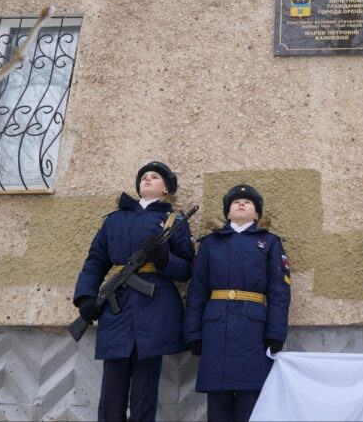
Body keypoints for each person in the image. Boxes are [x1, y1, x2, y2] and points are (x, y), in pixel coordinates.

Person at [73, 161, 195, 421]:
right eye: (144, 177)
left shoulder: (174, 221)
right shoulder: (115, 220)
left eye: (155, 177)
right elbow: (95, 260)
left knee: (144, 393)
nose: (147, 179)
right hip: (117, 307)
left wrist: (164, 259)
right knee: (112, 392)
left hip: (154, 310)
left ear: (166, 190)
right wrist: (86, 297)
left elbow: (187, 268)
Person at [184, 184, 291, 421]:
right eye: (235, 202)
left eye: (248, 202)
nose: (241, 204)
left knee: (250, 398)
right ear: (228, 213)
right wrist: (193, 333)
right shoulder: (211, 243)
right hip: (215, 326)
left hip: (253, 328)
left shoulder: (269, 243)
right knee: (218, 400)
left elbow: (279, 291)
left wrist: (276, 332)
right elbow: (197, 291)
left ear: (256, 214)